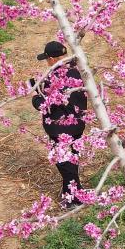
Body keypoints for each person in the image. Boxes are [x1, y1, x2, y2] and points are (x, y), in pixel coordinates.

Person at [30, 41, 88, 208]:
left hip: (61, 128)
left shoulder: (54, 78)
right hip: (77, 124)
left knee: (64, 162)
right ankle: (70, 193)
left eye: (47, 59)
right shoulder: (77, 70)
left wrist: (35, 96)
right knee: (72, 159)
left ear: (52, 59)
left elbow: (45, 105)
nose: (47, 62)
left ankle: (74, 199)